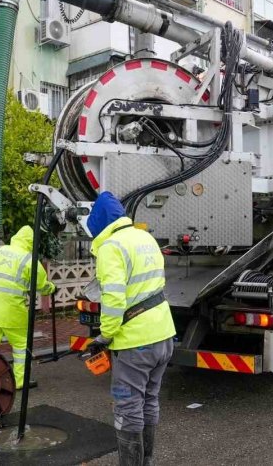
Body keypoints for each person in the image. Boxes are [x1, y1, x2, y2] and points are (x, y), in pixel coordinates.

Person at [87, 191, 176, 466]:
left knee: (127, 407)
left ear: (99, 224)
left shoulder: (111, 247)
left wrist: (105, 335)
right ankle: (146, 461)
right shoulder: (144, 237)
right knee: (149, 400)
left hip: (135, 342)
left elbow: (113, 300)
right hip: (163, 335)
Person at [0, 225, 55, 390]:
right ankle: (20, 381)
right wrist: (52, 288)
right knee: (21, 346)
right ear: (31, 243)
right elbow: (41, 285)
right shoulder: (29, 260)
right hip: (12, 312)